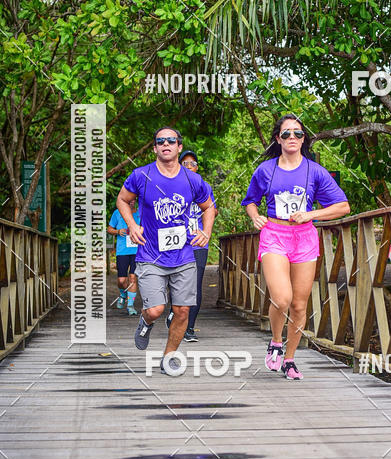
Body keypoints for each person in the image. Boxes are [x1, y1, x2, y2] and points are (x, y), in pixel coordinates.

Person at [242, 114, 350, 380]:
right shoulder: (266, 169)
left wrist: (310, 215)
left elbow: (342, 206)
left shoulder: (315, 171)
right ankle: (276, 341)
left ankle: (289, 359)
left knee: (299, 306)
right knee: (282, 299)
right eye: (286, 134)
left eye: (298, 134)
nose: (292, 138)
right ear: (278, 139)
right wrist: (255, 216)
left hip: (304, 237)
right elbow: (250, 200)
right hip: (275, 234)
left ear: (304, 139)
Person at [116, 127, 216, 375]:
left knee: (182, 310)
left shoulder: (193, 180)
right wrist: (131, 224)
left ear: (179, 147)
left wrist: (206, 232)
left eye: (171, 140)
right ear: (155, 148)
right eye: (160, 141)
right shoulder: (141, 175)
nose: (166, 144)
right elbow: (121, 200)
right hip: (150, 255)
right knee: (156, 309)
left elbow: (208, 207)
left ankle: (169, 355)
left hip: (183, 255)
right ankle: (145, 320)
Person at [165, 149, 218, 341]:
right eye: (185, 163)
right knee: (176, 284)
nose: (189, 166)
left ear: (197, 167)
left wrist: (207, 223)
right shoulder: (170, 185)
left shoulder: (204, 186)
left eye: (192, 164)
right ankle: (175, 313)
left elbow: (211, 209)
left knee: (195, 287)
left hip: (198, 243)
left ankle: (189, 329)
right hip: (176, 242)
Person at [107, 198, 140, 314]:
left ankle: (130, 306)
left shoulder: (140, 213)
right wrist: (117, 231)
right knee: (122, 280)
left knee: (133, 278)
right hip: (122, 251)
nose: (131, 202)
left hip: (137, 251)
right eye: (128, 200)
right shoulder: (117, 213)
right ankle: (123, 293)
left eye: (133, 200)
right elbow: (109, 229)